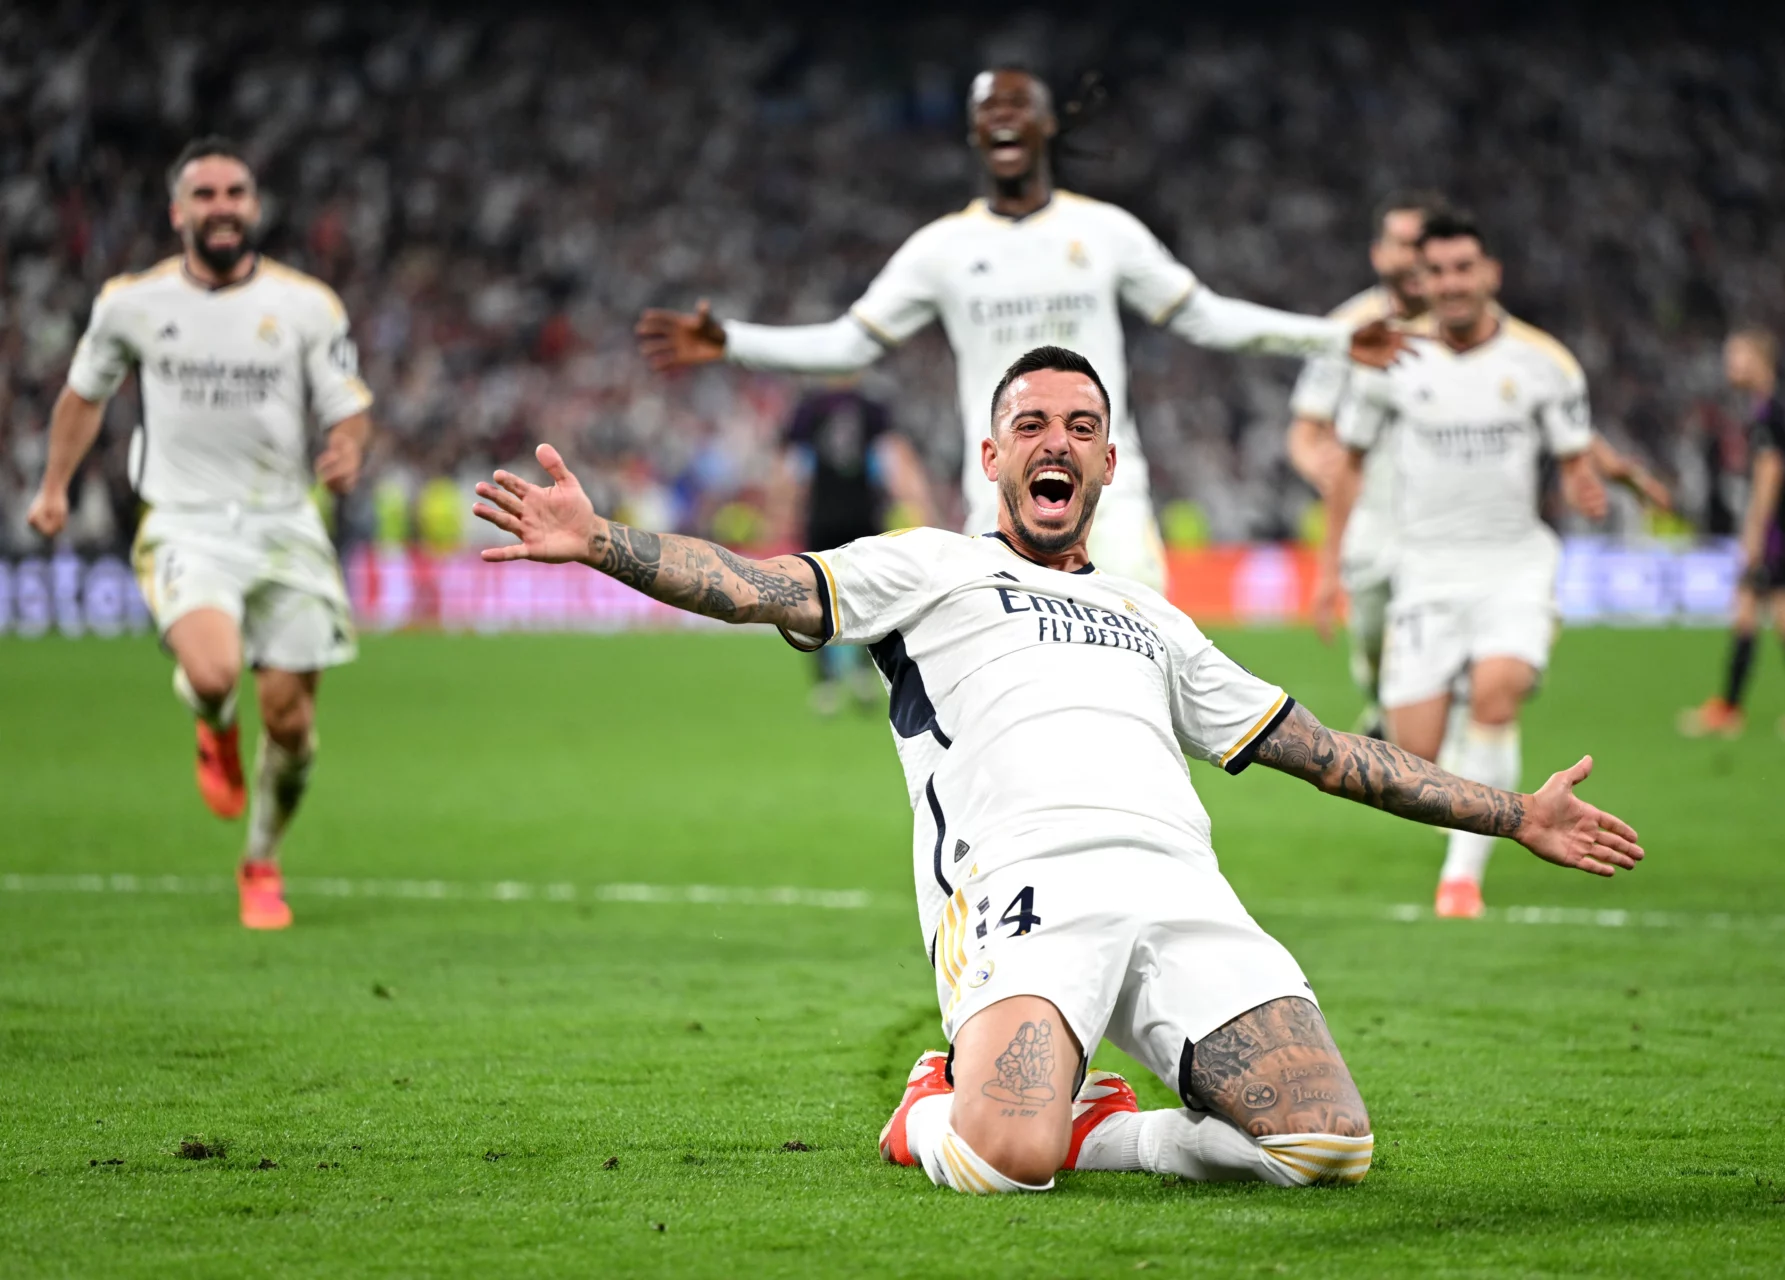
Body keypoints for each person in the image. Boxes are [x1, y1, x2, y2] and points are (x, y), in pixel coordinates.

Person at [471, 344, 1643, 1195]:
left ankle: (1103, 1131)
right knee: (997, 1161)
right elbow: (759, 583)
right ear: (993, 453)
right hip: (1029, 890)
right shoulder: (927, 568)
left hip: (1183, 891)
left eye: (1079, 425)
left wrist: (1514, 812)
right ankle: (934, 1106)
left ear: (1107, 460)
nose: (1055, 442)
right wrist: (604, 542)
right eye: (1032, 423)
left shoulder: (1155, 616)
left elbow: (1328, 753)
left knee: (1324, 1147)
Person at [637, 67, 1404, 592]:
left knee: (1140, 666)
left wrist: (1333, 338)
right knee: (1020, 689)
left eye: (1017, 105)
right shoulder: (943, 248)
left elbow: (1205, 315)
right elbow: (850, 343)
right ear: (975, 134)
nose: (1002, 117)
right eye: (986, 109)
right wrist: (734, 341)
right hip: (998, 494)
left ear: (1045, 125)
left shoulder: (1105, 232)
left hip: (1114, 490)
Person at [27, 137, 373, 930]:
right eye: (205, 194)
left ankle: (262, 862)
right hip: (186, 522)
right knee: (216, 673)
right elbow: (85, 396)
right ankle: (212, 725)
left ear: (254, 207)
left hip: (285, 523)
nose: (222, 206)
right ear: (178, 211)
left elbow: (348, 402)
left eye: (236, 192)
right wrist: (53, 487)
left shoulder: (305, 305)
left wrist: (347, 449)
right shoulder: (133, 303)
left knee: (291, 722)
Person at [1322, 211, 1612, 920]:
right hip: (1423, 571)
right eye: (1437, 272)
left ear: (1490, 275)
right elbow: (1348, 466)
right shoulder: (1391, 361)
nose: (1451, 284)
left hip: (1513, 565)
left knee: (1497, 694)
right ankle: (1457, 737)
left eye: (1463, 269)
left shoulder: (1543, 362)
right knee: (1414, 757)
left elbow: (1576, 454)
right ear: (1422, 281)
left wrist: (1585, 482)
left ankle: (1461, 879)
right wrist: (1331, 565)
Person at [1291, 190, 1446, 739]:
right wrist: (1324, 467)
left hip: (1443, 524)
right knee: (1376, 643)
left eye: (1420, 245)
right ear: (1379, 254)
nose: (1410, 258)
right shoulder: (1347, 328)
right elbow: (1305, 432)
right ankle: (1383, 702)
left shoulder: (1467, 327)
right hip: (1370, 518)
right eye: (1401, 245)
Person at [1679, 329, 1785, 740]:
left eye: (1737, 357)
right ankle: (1732, 707)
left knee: (1782, 617)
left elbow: (1772, 474)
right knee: (1749, 611)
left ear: (1759, 361)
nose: (1730, 366)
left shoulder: (1767, 415)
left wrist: (1753, 535)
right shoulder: (1779, 409)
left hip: (1775, 533)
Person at [770, 378, 936, 713]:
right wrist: (918, 505)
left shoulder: (811, 408)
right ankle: (850, 675)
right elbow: (895, 464)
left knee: (817, 596)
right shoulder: (870, 408)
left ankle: (833, 680)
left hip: (826, 515)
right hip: (859, 515)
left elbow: (791, 469)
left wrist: (781, 512)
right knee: (864, 593)